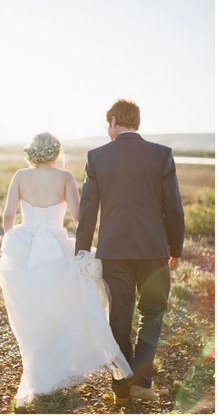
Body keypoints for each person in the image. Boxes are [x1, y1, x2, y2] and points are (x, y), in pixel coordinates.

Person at [0, 132, 133, 407]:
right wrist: (82, 248)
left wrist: (15, 242)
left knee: (33, 314)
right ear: (55, 152)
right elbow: (78, 217)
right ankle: (56, 369)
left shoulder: (20, 176)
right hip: (57, 247)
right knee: (59, 309)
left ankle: (38, 374)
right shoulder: (65, 178)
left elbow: (8, 216)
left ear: (32, 152)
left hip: (26, 249)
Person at [75, 99, 184, 405]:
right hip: (153, 251)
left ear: (112, 122)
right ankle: (143, 383)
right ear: (137, 123)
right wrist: (175, 248)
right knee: (152, 313)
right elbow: (173, 207)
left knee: (119, 316)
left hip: (114, 252)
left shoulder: (96, 157)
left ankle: (121, 387)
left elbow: (88, 210)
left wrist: (81, 252)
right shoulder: (161, 154)